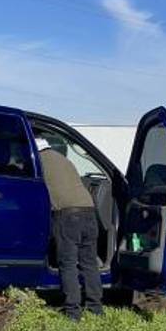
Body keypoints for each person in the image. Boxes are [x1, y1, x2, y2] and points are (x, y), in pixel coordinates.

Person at [36, 137, 103, 320]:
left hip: (67, 215)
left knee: (68, 265)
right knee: (89, 264)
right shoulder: (64, 159)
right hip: (89, 212)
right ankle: (96, 308)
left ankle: (73, 312)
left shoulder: (38, 161)